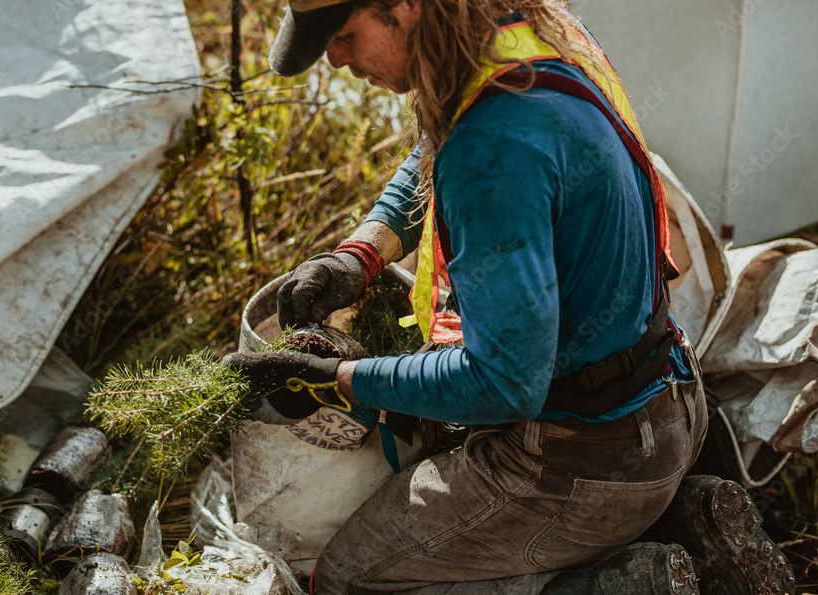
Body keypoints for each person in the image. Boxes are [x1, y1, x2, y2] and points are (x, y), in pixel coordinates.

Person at [225, 0, 713, 592]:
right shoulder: (522, 37)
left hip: (581, 461)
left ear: (402, 7)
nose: (336, 58)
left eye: (345, 35)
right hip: (663, 397)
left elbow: (504, 385)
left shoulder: (493, 149)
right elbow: (435, 144)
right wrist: (361, 252)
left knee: (347, 576)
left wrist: (337, 378)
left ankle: (619, 581)